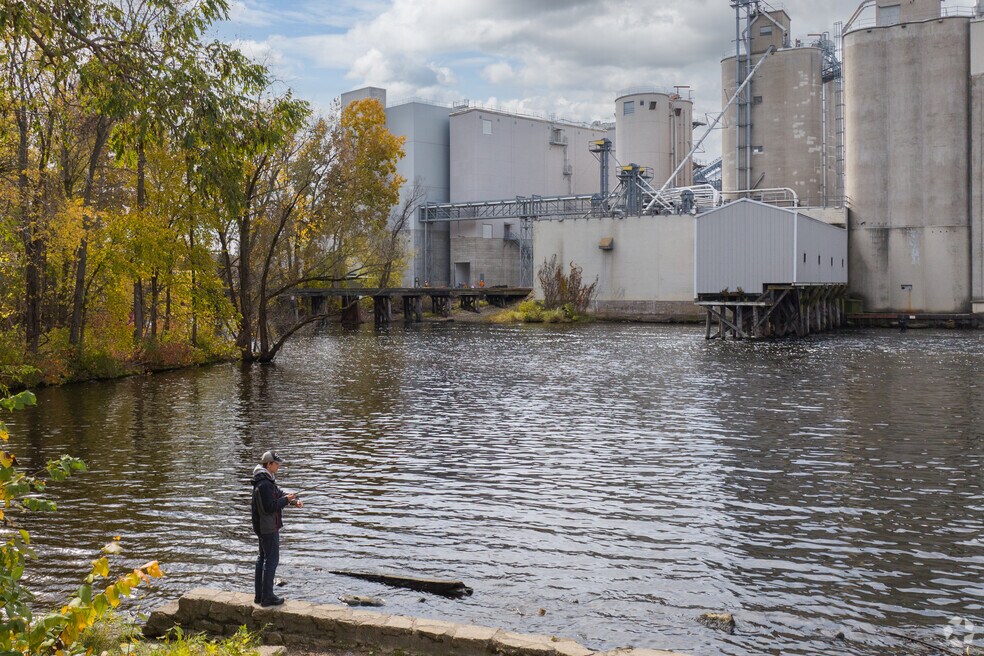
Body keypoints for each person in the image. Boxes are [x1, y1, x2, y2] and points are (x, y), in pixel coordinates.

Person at [251, 450, 302, 606]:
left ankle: (259, 596)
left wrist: (292, 500)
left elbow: (278, 493)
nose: (279, 465)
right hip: (268, 528)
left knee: (262, 559)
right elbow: (269, 507)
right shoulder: (265, 484)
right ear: (269, 464)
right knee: (271, 561)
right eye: (277, 463)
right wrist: (286, 500)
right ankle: (268, 597)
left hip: (262, 527)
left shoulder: (265, 480)